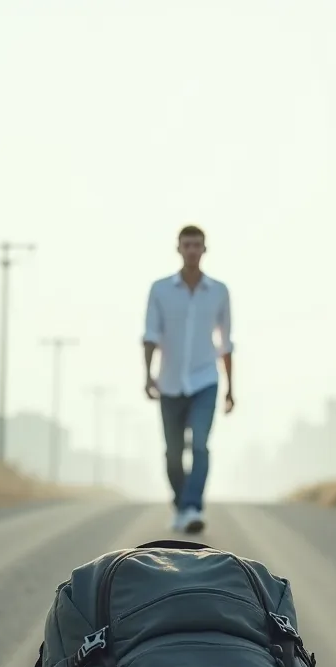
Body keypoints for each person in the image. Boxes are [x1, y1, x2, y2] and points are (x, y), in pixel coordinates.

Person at [142, 225, 234, 533]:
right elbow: (151, 335)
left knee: (200, 446)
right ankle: (181, 505)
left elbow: (226, 343)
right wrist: (148, 376)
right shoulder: (160, 290)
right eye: (187, 245)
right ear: (179, 249)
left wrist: (231, 389)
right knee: (172, 451)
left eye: (197, 245)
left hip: (206, 380)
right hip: (169, 382)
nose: (192, 250)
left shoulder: (219, 291)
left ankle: (193, 507)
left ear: (205, 250)